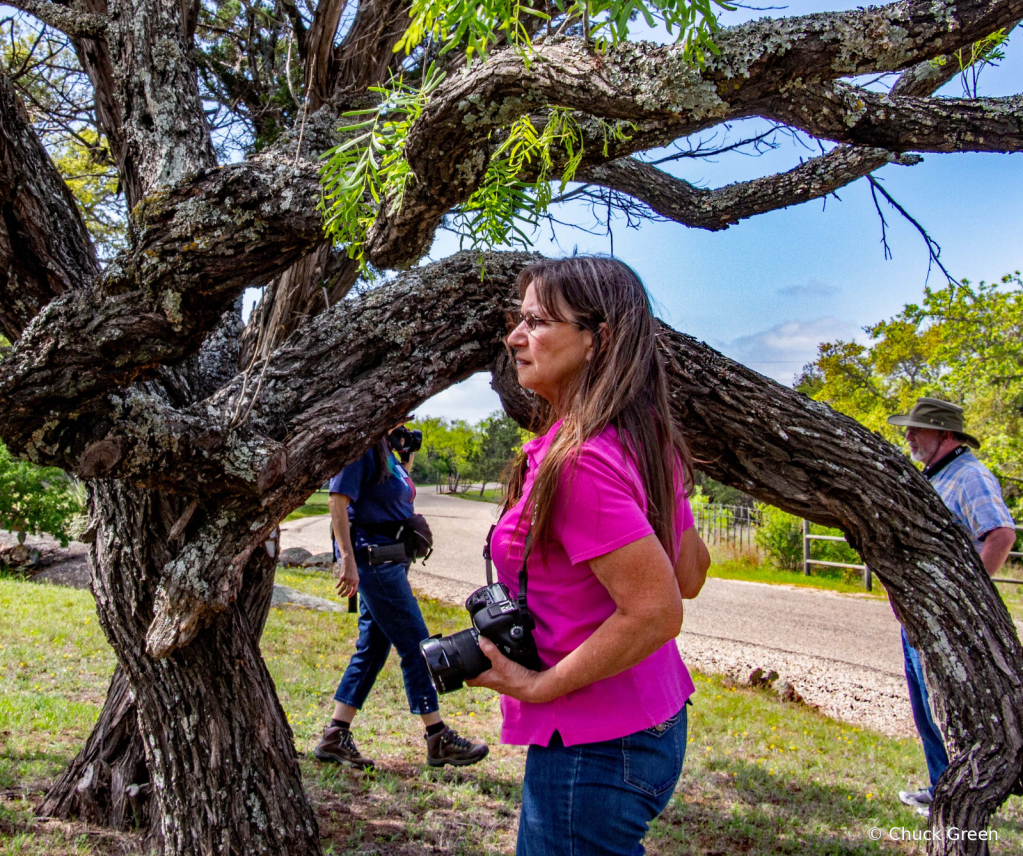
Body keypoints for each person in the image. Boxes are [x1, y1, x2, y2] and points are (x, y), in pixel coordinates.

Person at [467, 256, 711, 855]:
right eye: (517, 320)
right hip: (647, 721)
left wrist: (541, 684)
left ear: (597, 341)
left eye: (538, 322)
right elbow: (691, 572)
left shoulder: (579, 463)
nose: (515, 338)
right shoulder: (639, 434)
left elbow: (658, 609)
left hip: (593, 741)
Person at [314, 428, 489, 769]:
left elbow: (392, 498)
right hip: (374, 562)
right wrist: (346, 559)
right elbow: (338, 500)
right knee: (417, 645)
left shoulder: (384, 450)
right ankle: (437, 736)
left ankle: (335, 735)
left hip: (391, 559)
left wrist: (404, 463)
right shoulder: (362, 445)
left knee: (373, 649)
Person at [887, 397, 1017, 818]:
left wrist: (966, 599)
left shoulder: (970, 477)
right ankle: (940, 786)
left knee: (947, 706)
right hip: (922, 615)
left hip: (948, 617)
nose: (908, 436)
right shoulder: (938, 475)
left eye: (916, 429)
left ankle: (957, 793)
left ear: (945, 434)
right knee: (925, 705)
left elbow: (999, 534)